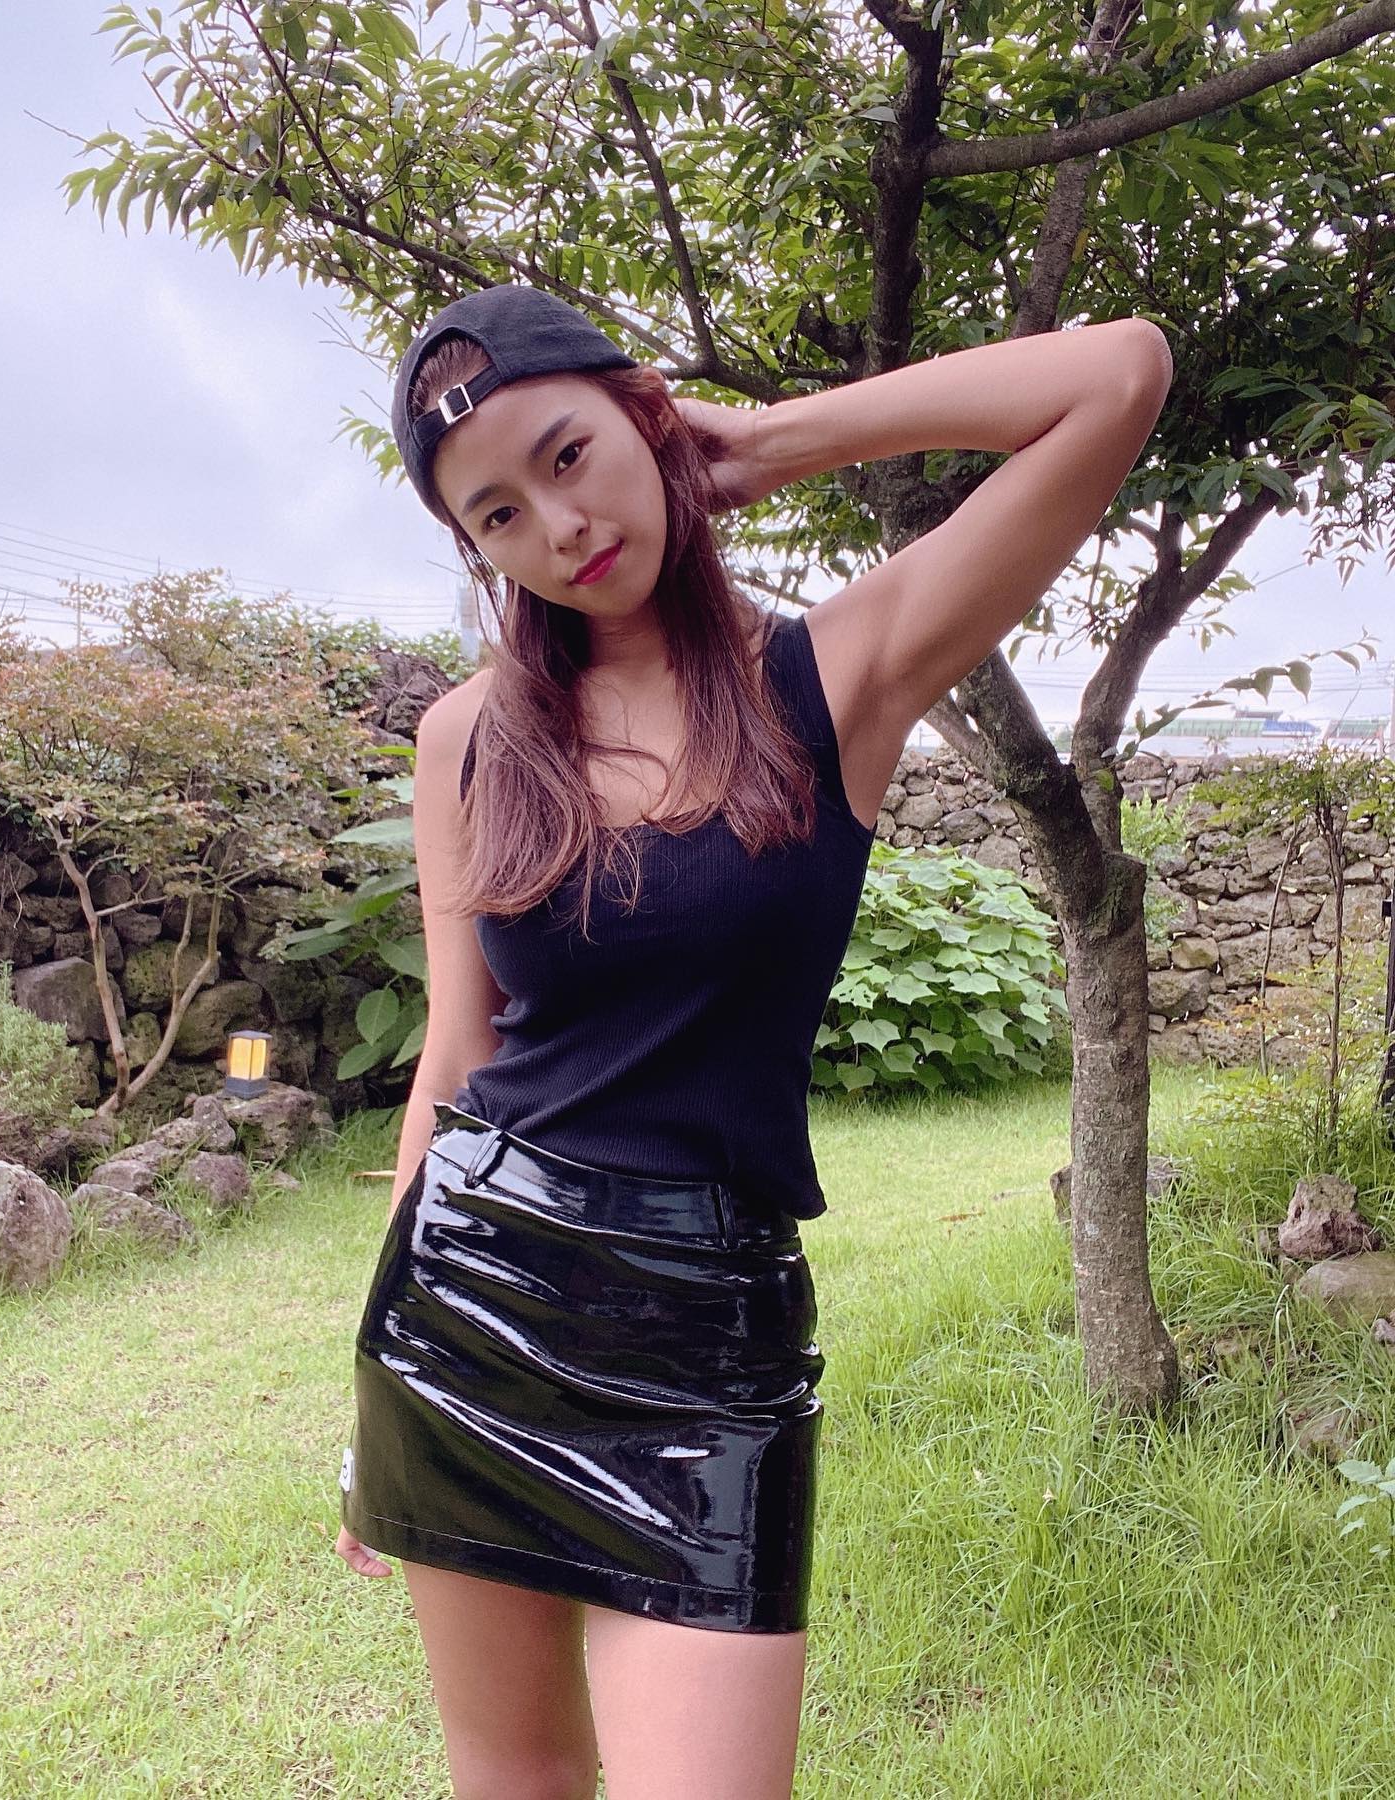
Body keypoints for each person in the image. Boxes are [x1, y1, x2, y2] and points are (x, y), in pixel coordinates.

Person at [333, 283, 1172, 1800]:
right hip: (468, 1314)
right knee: (515, 1780)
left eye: (572, 454)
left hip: (709, 1338)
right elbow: (453, 1060)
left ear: (646, 413)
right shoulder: (468, 737)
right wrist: (374, 1378)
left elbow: (1118, 375)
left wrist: (767, 444)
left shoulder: (837, 675)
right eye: (499, 515)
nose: (559, 527)